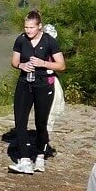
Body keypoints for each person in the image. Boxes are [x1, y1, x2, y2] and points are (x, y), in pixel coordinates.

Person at [7, 11, 66, 174]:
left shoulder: (49, 41)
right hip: (25, 82)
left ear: (39, 26)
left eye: (32, 27)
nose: (28, 30)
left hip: (43, 84)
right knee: (20, 120)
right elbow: (14, 61)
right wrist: (21, 66)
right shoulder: (21, 40)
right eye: (26, 27)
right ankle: (25, 160)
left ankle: (40, 155)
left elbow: (61, 65)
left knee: (41, 122)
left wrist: (43, 63)